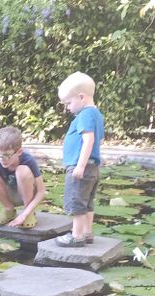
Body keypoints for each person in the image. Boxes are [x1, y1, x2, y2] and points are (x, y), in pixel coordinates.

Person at [55, 71, 103, 247]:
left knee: (76, 203)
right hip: (93, 168)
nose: (67, 107)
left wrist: (80, 166)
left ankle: (76, 236)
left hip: (80, 167)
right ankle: (87, 233)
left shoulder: (84, 115)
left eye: (69, 102)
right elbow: (99, 140)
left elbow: (88, 140)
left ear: (81, 97)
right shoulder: (96, 114)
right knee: (87, 203)